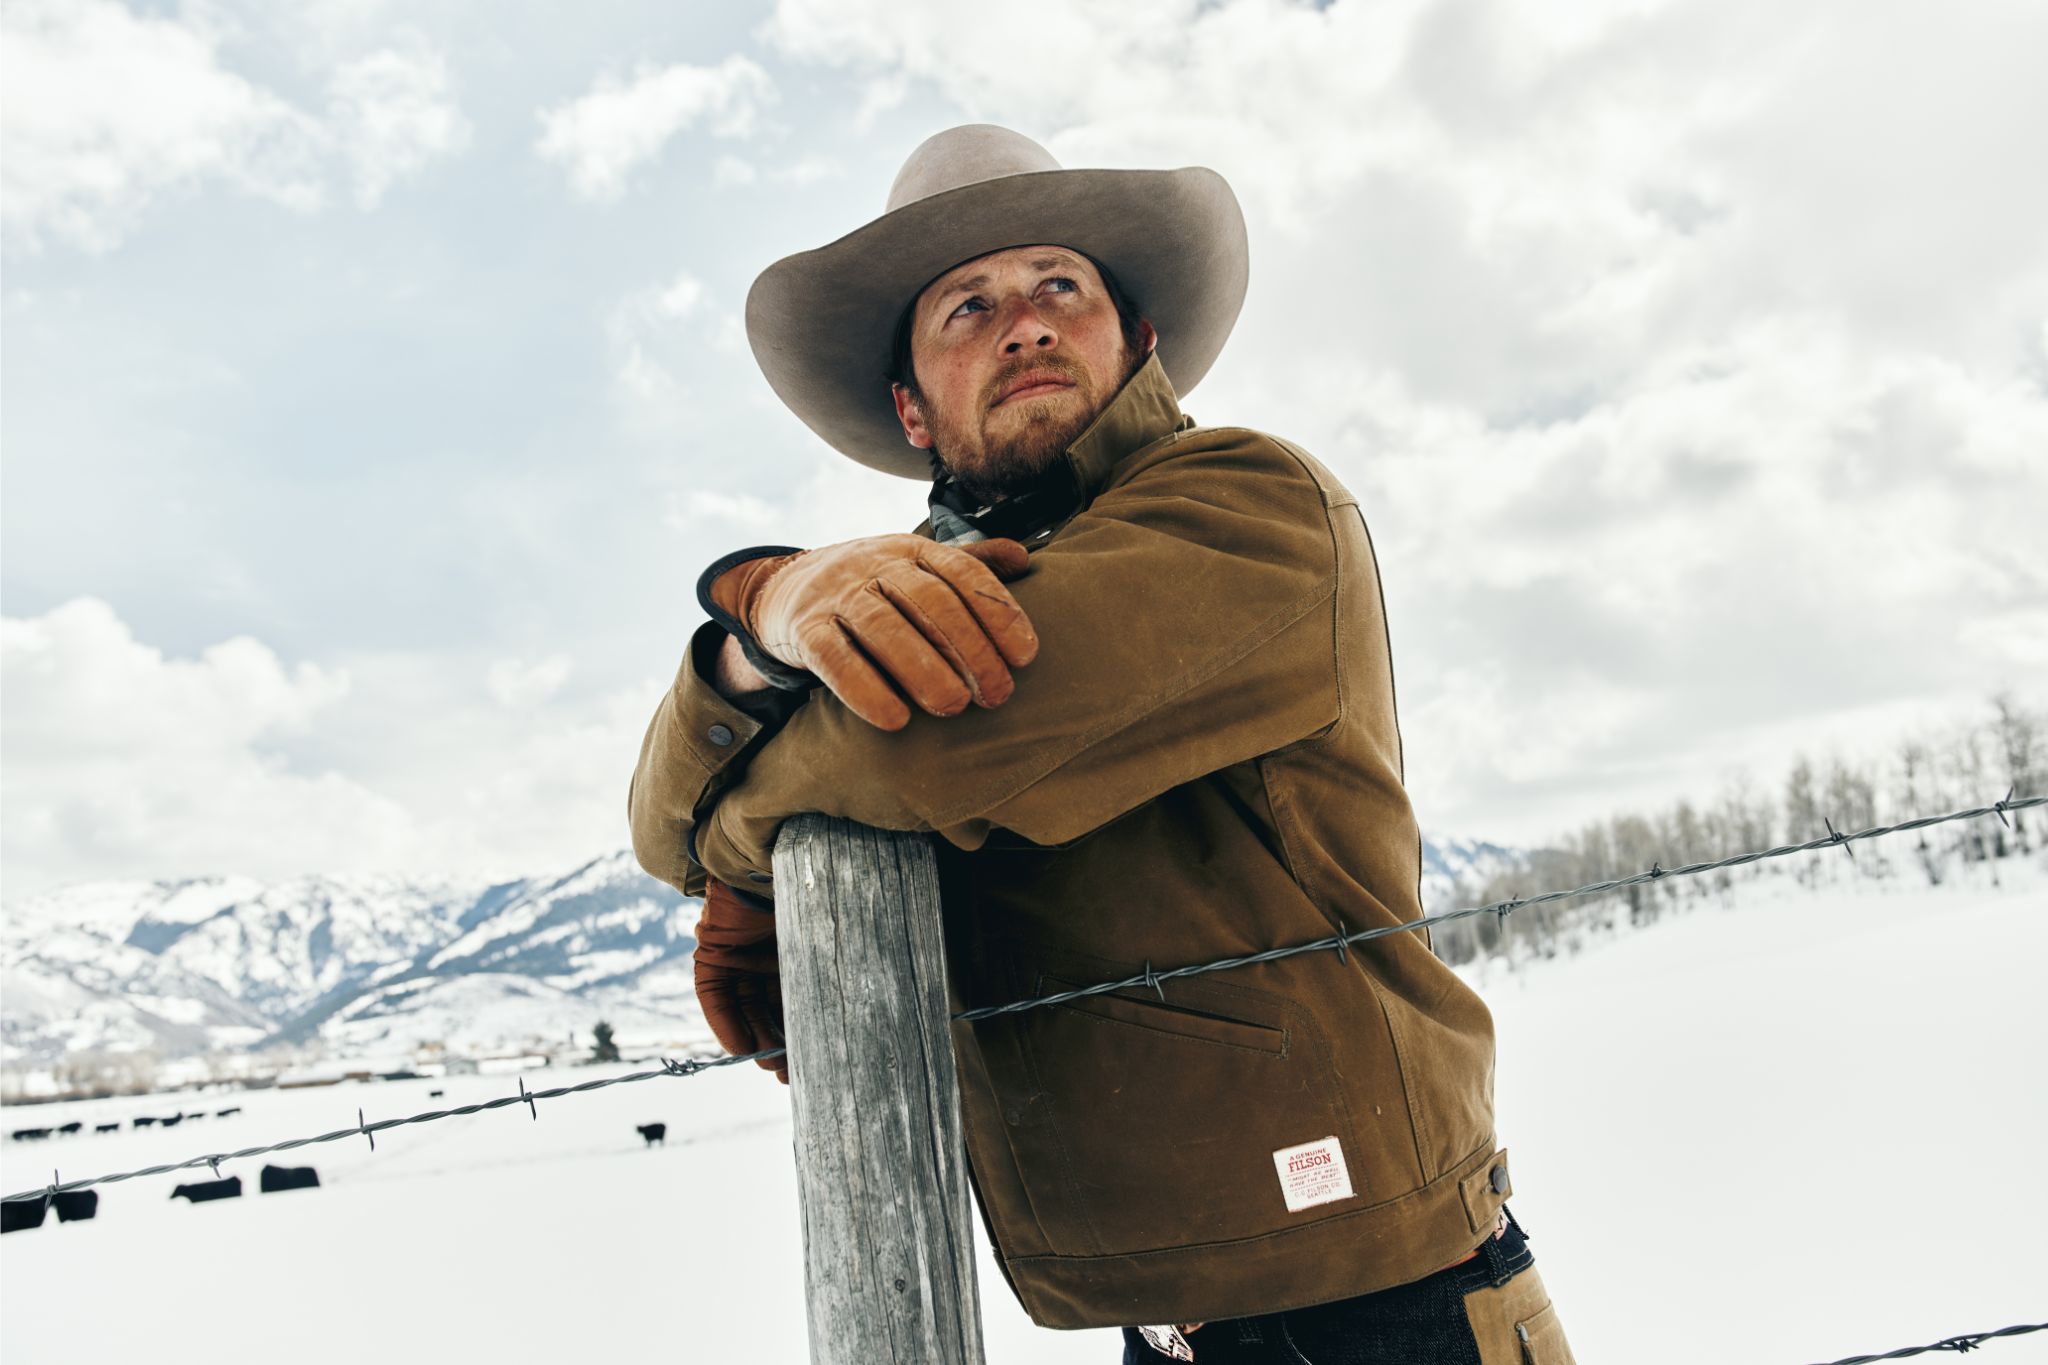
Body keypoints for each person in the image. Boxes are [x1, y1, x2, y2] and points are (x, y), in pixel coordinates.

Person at [628, 124, 1575, 1363]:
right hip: (1171, 1323)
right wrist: (763, 615)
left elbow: (926, 755)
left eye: (1056, 288)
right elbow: (655, 830)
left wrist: (747, 847)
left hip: (1378, 1296)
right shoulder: (899, 596)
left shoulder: (1246, 503)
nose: (1020, 324)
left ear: (1137, 343)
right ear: (911, 406)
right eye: (965, 307)